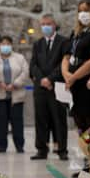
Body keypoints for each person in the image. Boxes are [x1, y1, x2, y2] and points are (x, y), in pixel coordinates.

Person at [62, 0, 90, 133]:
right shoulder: (76, 33)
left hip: (87, 81)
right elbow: (66, 57)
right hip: (72, 81)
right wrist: (67, 75)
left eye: (86, 11)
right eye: (80, 11)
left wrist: (74, 77)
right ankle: (86, 149)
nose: (82, 14)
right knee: (78, 119)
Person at [29, 14, 69, 160]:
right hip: (40, 88)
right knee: (41, 119)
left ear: (54, 24)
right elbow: (33, 65)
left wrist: (50, 79)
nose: (45, 26)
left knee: (59, 119)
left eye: (48, 23)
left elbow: (64, 64)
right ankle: (41, 149)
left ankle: (62, 149)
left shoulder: (64, 42)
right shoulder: (37, 44)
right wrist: (42, 79)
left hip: (56, 86)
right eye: (43, 24)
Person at [0, 36, 29, 154]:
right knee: (1, 122)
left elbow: (25, 72)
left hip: (16, 94)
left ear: (11, 45)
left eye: (8, 43)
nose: (5, 46)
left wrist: (16, 84)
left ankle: (19, 146)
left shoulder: (20, 58)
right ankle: (2, 146)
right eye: (3, 44)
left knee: (17, 122)